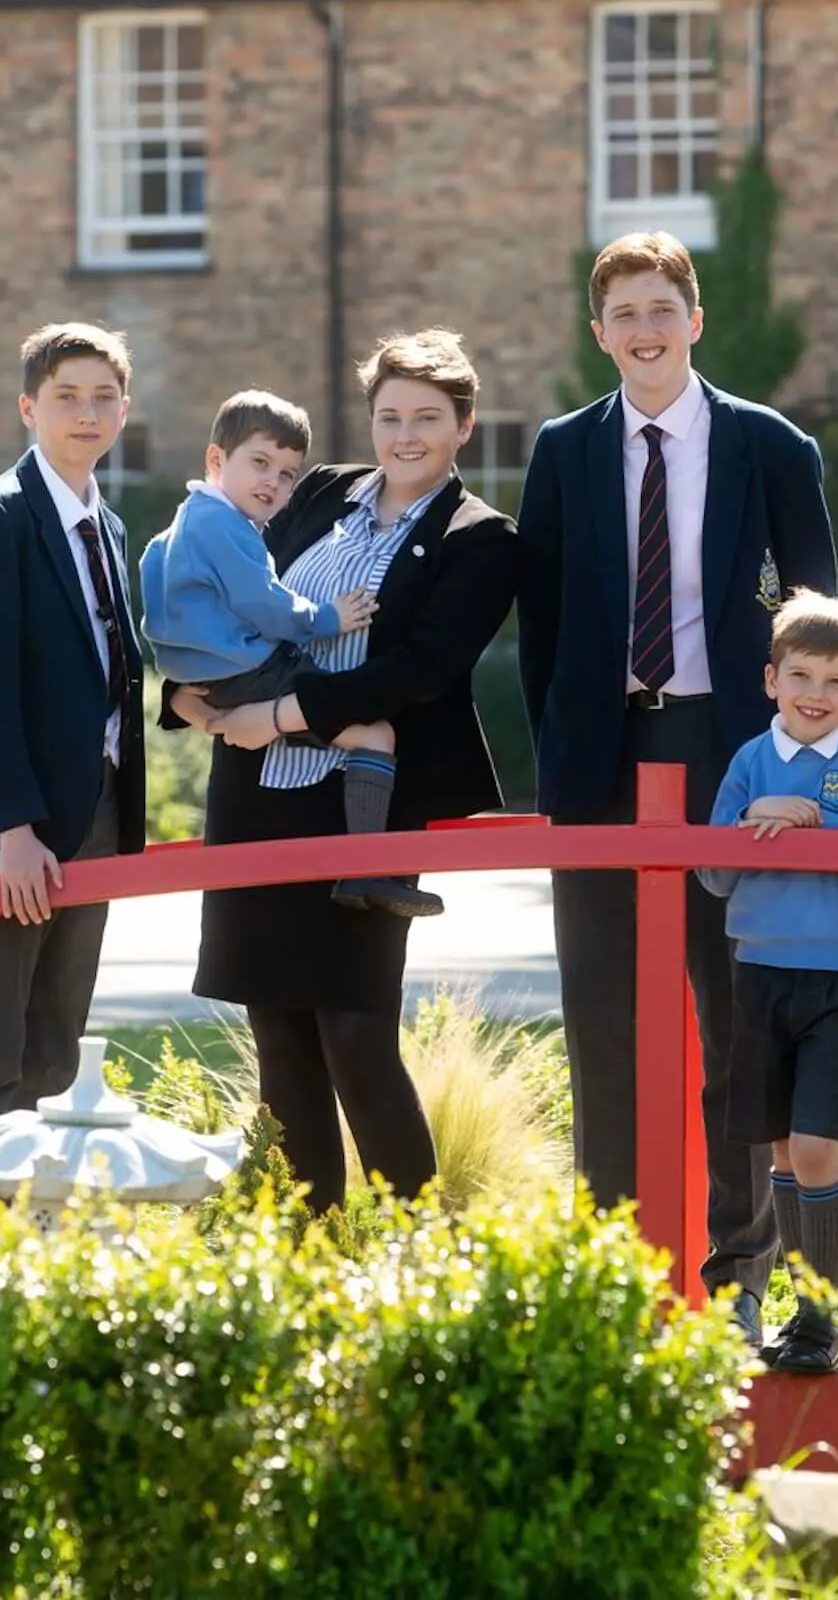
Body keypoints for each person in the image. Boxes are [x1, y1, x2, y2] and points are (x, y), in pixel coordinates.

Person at [519, 229, 838, 1346]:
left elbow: (817, 622)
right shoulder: (562, 452)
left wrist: (804, 769)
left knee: (738, 1019)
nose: (644, 332)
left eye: (663, 310)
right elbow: (544, 628)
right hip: (605, 760)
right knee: (604, 1018)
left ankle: (738, 1263)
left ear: (694, 321)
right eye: (624, 315)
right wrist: (563, 771)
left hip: (734, 758)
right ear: (597, 332)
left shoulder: (771, 448)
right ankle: (616, 1259)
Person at [167, 330, 516, 1213]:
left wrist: (278, 714)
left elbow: (416, 672)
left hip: (364, 808)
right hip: (254, 796)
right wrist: (194, 699)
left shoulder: (482, 540)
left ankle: (422, 1257)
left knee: (356, 1032)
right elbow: (217, 588)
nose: (404, 435)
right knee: (279, 1039)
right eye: (389, 415)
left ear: (463, 426)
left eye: (427, 419)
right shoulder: (311, 491)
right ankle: (307, 1263)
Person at [0, 321, 147, 1137]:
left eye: (103, 397)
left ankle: (32, 1238)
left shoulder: (108, 527)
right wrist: (14, 826)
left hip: (98, 808)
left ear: (125, 410)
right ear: (28, 408)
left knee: (56, 1041)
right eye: (66, 396)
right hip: (14, 822)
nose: (87, 413)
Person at [696, 592, 838, 1375]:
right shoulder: (752, 762)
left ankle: (826, 1317)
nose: (815, 693)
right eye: (800, 675)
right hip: (760, 968)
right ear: (770, 679)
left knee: (819, 1146)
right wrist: (754, 813)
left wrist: (816, 824)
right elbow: (714, 871)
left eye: (834, 680)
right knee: (786, 1153)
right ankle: (805, 1318)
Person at [138, 389, 433, 917]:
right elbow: (264, 603)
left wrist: (185, 678)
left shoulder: (179, 527)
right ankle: (366, 871)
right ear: (215, 459)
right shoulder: (227, 528)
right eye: (260, 463)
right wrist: (329, 618)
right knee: (374, 732)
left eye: (287, 473)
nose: (272, 482)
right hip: (253, 670)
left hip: (213, 680)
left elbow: (155, 602)